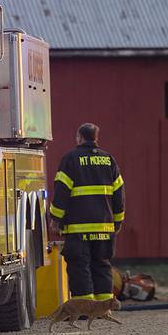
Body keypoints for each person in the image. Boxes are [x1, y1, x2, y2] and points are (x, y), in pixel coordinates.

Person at [50, 123, 125, 301]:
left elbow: (62, 191)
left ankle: (85, 308)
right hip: (105, 229)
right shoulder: (109, 160)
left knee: (79, 267)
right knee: (102, 265)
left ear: (79, 137)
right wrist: (118, 222)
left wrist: (55, 219)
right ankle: (104, 306)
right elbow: (119, 193)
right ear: (95, 138)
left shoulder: (71, 159)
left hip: (78, 229)